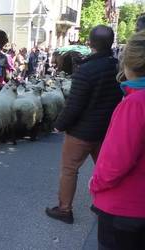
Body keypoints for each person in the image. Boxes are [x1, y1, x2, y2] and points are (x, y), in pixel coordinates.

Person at [45, 25, 123, 224]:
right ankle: (109, 208)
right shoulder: (118, 68)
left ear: (90, 43)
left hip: (81, 132)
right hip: (106, 130)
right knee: (105, 169)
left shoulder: (86, 69)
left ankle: (64, 210)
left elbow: (75, 104)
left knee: (69, 169)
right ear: (111, 43)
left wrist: (59, 124)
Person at [89, 30, 145, 250]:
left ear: (128, 64)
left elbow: (115, 161)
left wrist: (95, 182)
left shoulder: (135, 103)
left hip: (126, 208)